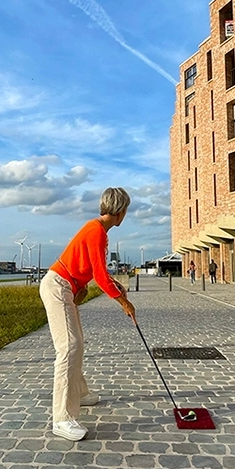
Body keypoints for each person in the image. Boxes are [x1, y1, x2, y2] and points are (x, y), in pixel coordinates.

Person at [39, 187, 136, 442]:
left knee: (77, 344)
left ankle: (80, 394)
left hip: (66, 288)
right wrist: (124, 302)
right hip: (58, 287)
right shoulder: (96, 232)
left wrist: (114, 285)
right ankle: (62, 418)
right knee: (69, 347)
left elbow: (98, 272)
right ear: (121, 211)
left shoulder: (97, 230)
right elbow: (100, 277)